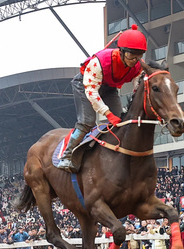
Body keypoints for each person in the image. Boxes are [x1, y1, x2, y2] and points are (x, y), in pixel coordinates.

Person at [56, 24, 148, 171]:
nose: (134, 61)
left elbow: (137, 80)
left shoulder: (137, 66)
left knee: (121, 122)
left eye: (139, 56)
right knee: (87, 122)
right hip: (85, 85)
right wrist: (107, 114)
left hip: (108, 87)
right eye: (131, 55)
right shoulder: (99, 62)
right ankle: (66, 156)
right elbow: (92, 92)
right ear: (122, 51)